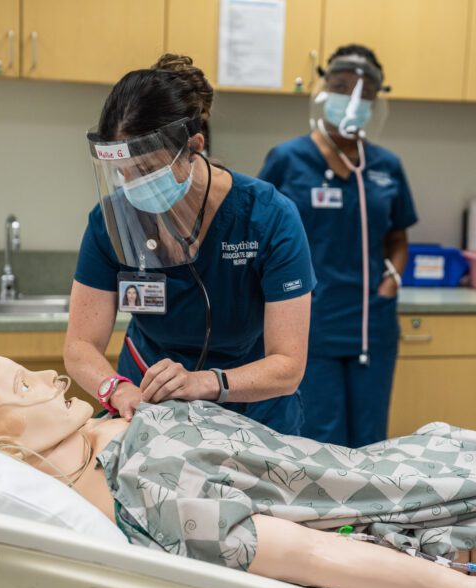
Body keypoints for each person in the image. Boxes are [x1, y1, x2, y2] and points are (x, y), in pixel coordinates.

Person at [0, 354, 476, 588]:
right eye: (21, 386)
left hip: (413, 463)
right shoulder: (151, 495)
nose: (47, 373)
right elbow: (314, 554)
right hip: (450, 515)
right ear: (6, 444)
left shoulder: (112, 432)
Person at [64, 54, 315, 434]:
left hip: (253, 413)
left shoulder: (268, 218)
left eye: (147, 170)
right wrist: (116, 390)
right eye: (122, 174)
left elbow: (288, 364)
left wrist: (203, 383)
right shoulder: (109, 224)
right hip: (148, 406)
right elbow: (80, 345)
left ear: (193, 146)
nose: (133, 187)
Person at [259, 44, 417, 448]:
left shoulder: (386, 166)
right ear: (323, 90)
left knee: (371, 441)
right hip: (311, 321)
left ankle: (366, 516)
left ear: (376, 101)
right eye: (342, 87)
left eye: (365, 92)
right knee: (319, 439)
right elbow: (260, 236)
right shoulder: (288, 160)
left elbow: (398, 237)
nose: (353, 100)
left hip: (371, 321)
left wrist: (392, 282)